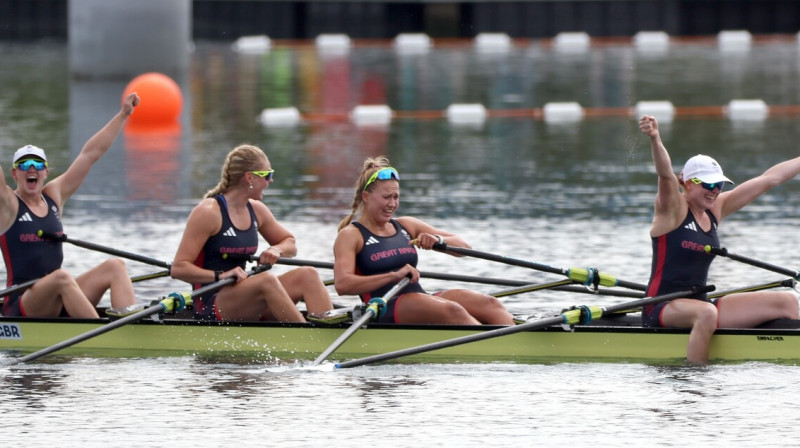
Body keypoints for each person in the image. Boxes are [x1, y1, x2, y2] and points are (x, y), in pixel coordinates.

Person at [639, 114, 800, 363]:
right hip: (661, 307)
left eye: (719, 185)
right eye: (709, 185)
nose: (715, 191)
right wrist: (655, 138)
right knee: (706, 314)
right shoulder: (672, 209)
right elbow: (665, 176)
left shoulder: (716, 209)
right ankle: (696, 376)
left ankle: (776, 357)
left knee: (786, 302)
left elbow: (769, 179)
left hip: (701, 302)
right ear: (689, 183)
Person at [0, 93, 141, 318]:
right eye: (24, 164)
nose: (31, 168)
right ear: (14, 173)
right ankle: (103, 336)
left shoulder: (54, 195)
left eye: (38, 163)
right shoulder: (7, 204)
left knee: (115, 266)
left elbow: (90, 154)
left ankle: (133, 328)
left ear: (46, 172)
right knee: (62, 277)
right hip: (22, 305)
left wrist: (123, 114)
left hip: (57, 296)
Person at [333, 156, 514, 325]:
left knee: (490, 303)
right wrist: (393, 276)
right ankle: (497, 352)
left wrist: (437, 241)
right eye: (386, 197)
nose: (392, 204)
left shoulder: (406, 225)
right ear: (366, 197)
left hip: (419, 298)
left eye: (396, 197)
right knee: (453, 310)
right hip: (383, 307)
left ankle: (515, 343)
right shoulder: (351, 235)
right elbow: (342, 285)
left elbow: (465, 247)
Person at [170, 144, 333, 322]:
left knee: (307, 275)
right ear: (249, 178)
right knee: (266, 280)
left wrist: (276, 250)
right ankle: (308, 341)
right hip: (211, 302)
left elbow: (290, 242)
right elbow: (178, 268)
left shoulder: (256, 210)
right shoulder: (209, 212)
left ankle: (329, 333)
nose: (270, 181)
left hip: (243, 295)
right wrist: (220, 276)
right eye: (267, 175)